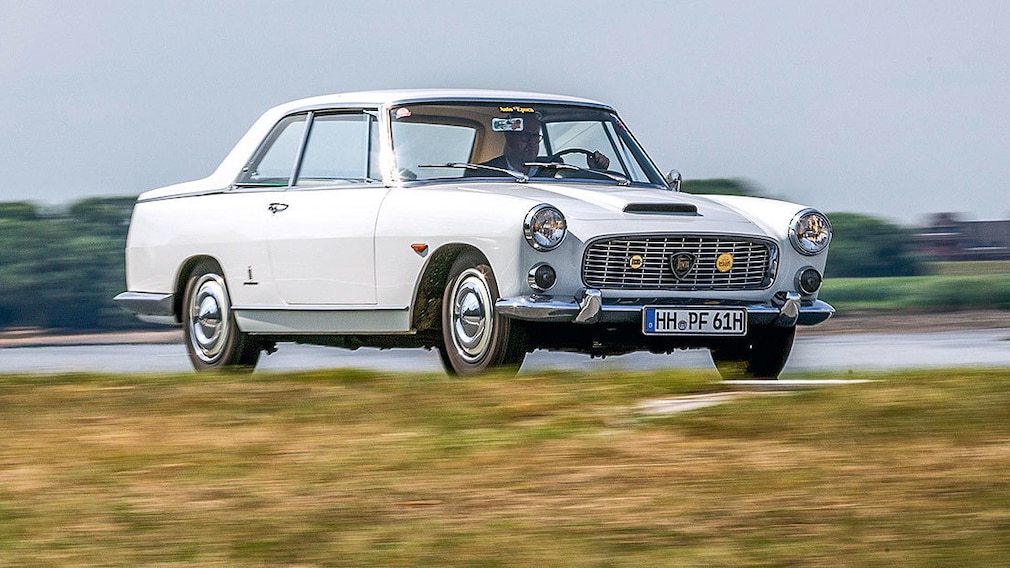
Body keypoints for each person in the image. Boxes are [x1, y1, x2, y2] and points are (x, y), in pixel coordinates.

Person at [465, 113, 610, 177]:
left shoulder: (554, 169)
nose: (531, 143)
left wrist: (597, 171)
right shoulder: (484, 173)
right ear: (509, 138)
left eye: (535, 136)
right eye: (525, 136)